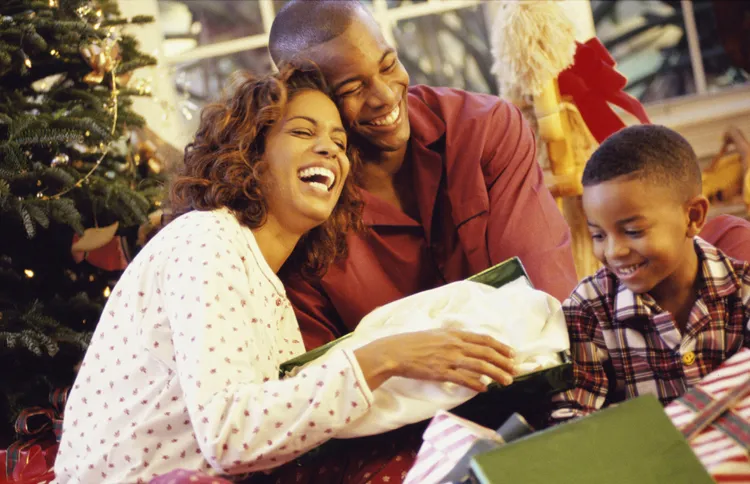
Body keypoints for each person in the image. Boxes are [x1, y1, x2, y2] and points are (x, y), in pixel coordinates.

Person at [53, 64, 518, 484]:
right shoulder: (207, 240)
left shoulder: (269, 284)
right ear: (252, 152)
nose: (329, 150)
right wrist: (385, 358)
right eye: (302, 131)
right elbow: (229, 438)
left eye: (339, 143)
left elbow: (279, 427)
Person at [269, 0, 579, 351]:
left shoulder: (485, 130)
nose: (385, 95)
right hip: (403, 406)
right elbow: (326, 379)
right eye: (352, 89)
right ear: (308, 97)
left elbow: (546, 303)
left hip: (536, 375)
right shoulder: (302, 210)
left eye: (388, 65)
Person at [550, 125, 750, 421]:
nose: (614, 251)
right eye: (598, 235)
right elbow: (571, 419)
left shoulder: (743, 291)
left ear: (693, 216)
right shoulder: (587, 311)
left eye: (633, 231)